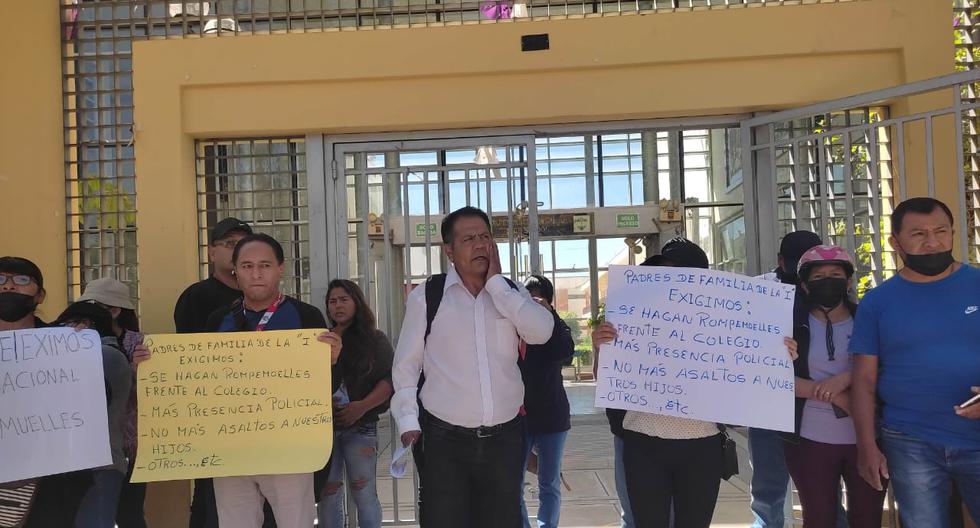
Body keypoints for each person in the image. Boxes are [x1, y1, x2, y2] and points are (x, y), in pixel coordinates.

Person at [593, 238, 797, 528]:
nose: (665, 281)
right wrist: (602, 348)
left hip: (702, 445)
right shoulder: (633, 316)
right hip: (641, 441)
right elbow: (607, 380)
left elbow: (750, 381)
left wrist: (779, 356)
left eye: (674, 273)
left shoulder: (726, 320)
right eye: (660, 273)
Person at [390, 206, 554, 528]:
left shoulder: (510, 292)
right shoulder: (428, 297)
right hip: (444, 441)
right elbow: (406, 364)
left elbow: (542, 332)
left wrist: (497, 287)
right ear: (449, 250)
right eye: (468, 239)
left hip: (504, 440)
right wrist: (408, 418)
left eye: (485, 237)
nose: (480, 245)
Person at [185, 233, 341, 528]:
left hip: (290, 449)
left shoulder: (306, 317)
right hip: (231, 449)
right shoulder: (218, 320)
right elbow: (196, 379)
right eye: (246, 266)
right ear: (235, 270)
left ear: (281, 268)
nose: (256, 274)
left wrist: (332, 362)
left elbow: (326, 389)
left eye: (265, 265)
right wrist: (151, 365)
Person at [850, 197, 980, 526]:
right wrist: (866, 445)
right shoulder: (877, 302)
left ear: (953, 233)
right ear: (896, 242)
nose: (932, 242)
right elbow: (863, 380)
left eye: (941, 231)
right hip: (909, 439)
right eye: (918, 234)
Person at [782, 245, 886, 527]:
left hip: (868, 438)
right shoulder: (790, 326)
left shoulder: (870, 319)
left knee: (867, 519)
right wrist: (838, 398)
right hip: (809, 439)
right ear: (804, 285)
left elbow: (886, 366)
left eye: (835, 274)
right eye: (818, 278)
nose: (827, 281)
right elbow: (776, 380)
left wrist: (846, 377)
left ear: (848, 281)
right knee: (818, 519)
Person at [0, 257, 91, 528]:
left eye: (22, 280)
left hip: (52, 482)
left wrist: (83, 354)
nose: (9, 287)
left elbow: (98, 399)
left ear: (40, 295)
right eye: (1, 279)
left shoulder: (67, 343)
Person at [172, 217, 252, 528]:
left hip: (262, 419)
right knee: (211, 500)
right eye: (229, 244)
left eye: (242, 244)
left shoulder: (266, 298)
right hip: (213, 419)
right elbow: (189, 358)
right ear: (211, 252)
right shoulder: (197, 297)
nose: (235, 251)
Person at [750, 230, 822, 528]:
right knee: (768, 486)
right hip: (769, 405)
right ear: (781, 261)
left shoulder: (829, 290)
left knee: (821, 485)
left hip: (817, 404)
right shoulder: (758, 293)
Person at [318, 279, 394, 528]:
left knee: (364, 492)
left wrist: (361, 406)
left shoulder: (375, 340)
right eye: (332, 301)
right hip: (325, 430)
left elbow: (389, 380)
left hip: (361, 428)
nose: (337, 306)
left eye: (343, 299)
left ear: (357, 303)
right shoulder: (320, 342)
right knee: (328, 494)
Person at [55, 302, 134, 528]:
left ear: (87, 326)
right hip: (69, 464)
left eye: (68, 325)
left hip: (99, 467)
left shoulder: (108, 356)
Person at [78, 277, 147, 528]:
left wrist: (145, 371)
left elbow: (158, 391)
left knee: (130, 512)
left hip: (132, 445)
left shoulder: (141, 344)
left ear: (115, 310)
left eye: (94, 306)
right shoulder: (73, 341)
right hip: (85, 444)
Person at [518, 274, 575, 528]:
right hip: (518, 417)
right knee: (513, 484)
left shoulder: (556, 329)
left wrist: (550, 315)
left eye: (538, 300)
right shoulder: (515, 328)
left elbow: (565, 353)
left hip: (552, 416)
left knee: (549, 482)